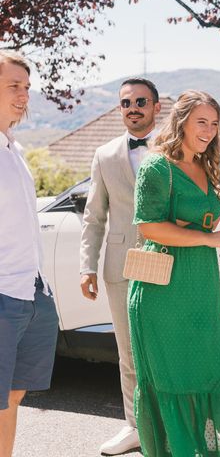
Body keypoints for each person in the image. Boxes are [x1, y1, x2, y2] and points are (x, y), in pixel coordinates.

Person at [128, 90, 220, 456]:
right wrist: (207, 236)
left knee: (211, 373)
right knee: (174, 380)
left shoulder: (204, 165)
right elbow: (148, 227)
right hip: (164, 291)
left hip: (200, 285)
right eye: (202, 121)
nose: (209, 131)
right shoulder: (157, 166)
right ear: (181, 121)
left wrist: (207, 232)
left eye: (214, 124)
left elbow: (198, 222)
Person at [79, 77, 161, 455]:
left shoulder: (172, 149)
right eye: (126, 103)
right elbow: (94, 217)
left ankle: (168, 426)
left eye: (141, 101)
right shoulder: (105, 154)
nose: (133, 108)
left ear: (156, 107)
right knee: (128, 352)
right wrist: (87, 267)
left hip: (167, 261)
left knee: (164, 347)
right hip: (121, 265)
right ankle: (135, 427)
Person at [0, 50, 59, 457]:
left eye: (26, 87)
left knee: (13, 395)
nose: (23, 95)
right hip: (2, 295)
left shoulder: (14, 150)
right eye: (13, 86)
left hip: (32, 292)